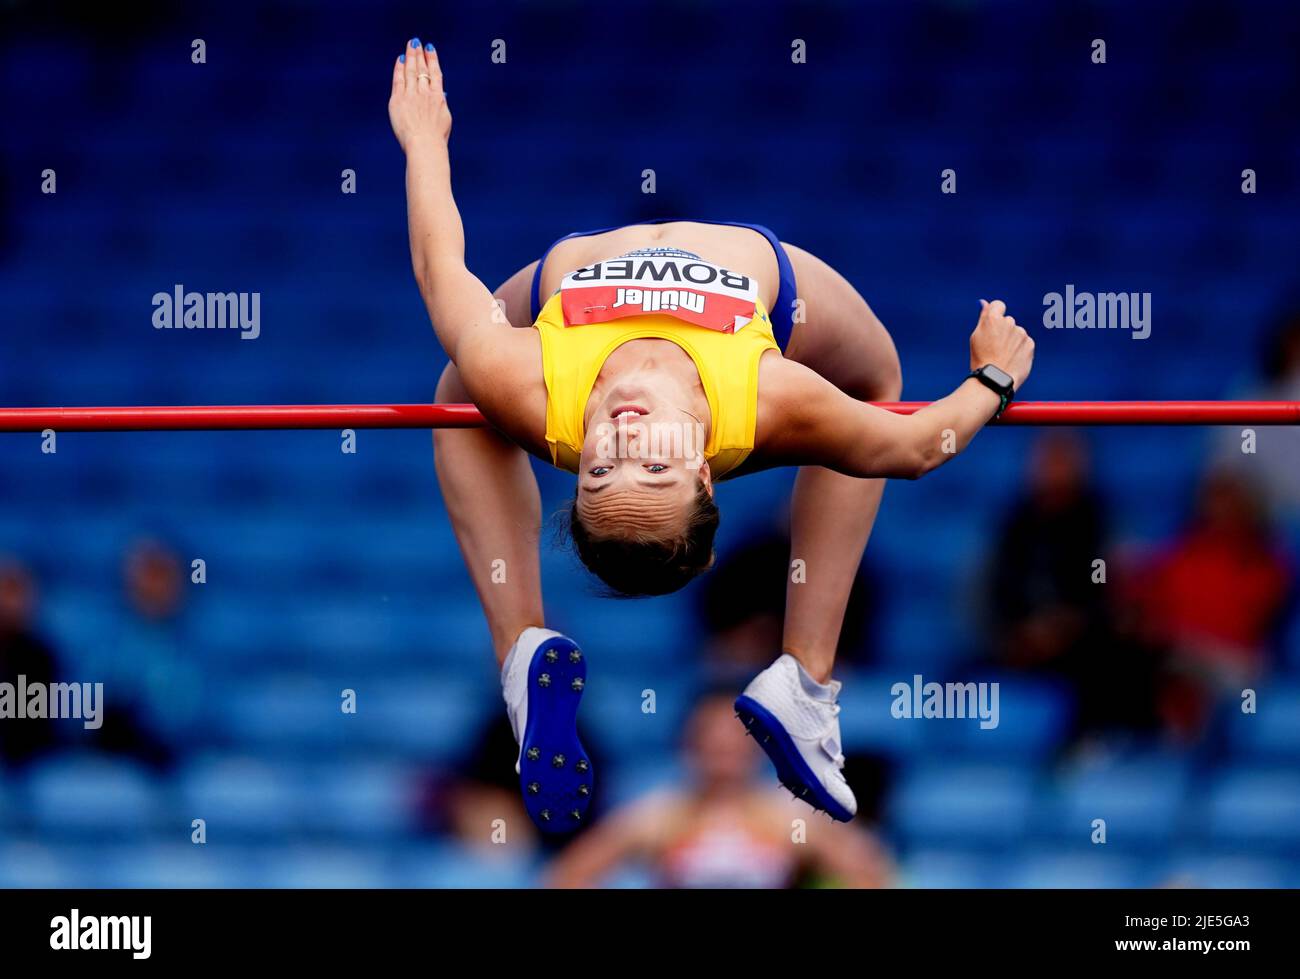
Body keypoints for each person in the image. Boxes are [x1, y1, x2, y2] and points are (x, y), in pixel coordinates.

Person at [387, 39, 1036, 829]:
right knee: (878, 389)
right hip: (779, 294)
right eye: (650, 468)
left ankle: (520, 645)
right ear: (701, 472)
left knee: (458, 387)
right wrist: (992, 379)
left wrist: (424, 141)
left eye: (598, 472)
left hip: (561, 282)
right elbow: (913, 445)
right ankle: (806, 677)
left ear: (572, 460)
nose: (623, 439)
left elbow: (438, 265)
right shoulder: (770, 397)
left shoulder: (529, 385)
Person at [545, 693, 892, 888]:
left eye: (735, 740)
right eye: (712, 740)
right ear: (689, 745)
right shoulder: (660, 816)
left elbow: (869, 873)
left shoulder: (787, 817)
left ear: (759, 746)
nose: (724, 751)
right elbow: (568, 875)